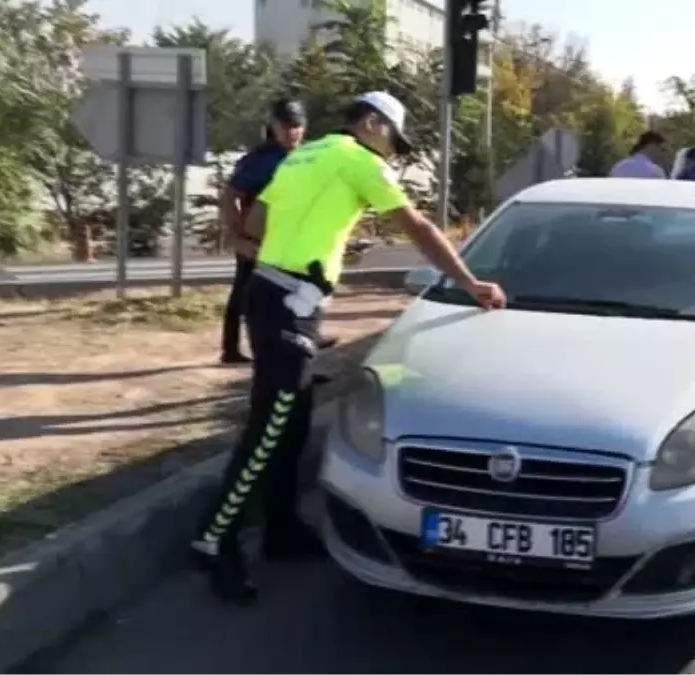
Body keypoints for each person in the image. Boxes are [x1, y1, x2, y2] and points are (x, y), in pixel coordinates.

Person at [191, 91, 507, 604]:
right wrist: (472, 285)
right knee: (269, 429)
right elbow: (420, 228)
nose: (391, 152)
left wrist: (289, 256)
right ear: (371, 122)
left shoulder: (307, 153)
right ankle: (213, 540)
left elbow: (250, 226)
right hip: (289, 303)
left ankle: (282, 532)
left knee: (292, 425)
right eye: (391, 139)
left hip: (276, 295)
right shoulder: (359, 161)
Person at [219, 99, 307, 364]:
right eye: (286, 126)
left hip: (291, 240)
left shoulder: (307, 157)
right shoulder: (259, 161)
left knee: (296, 295)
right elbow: (228, 197)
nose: (292, 132)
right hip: (256, 241)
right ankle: (231, 349)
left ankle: (299, 346)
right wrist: (237, 238)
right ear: (274, 126)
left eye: (297, 126)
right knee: (245, 296)